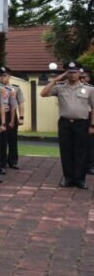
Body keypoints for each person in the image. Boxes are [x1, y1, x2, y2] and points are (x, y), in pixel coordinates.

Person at [40, 61, 94, 189]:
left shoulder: (89, 89)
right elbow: (43, 93)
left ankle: (80, 180)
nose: (72, 74)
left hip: (82, 123)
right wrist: (55, 80)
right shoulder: (60, 87)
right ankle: (68, 178)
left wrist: (92, 125)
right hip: (65, 123)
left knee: (81, 152)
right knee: (66, 152)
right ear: (66, 73)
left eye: (74, 72)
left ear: (79, 72)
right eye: (69, 72)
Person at [0, 66, 24, 171]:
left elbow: (21, 103)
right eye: (0, 76)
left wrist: (21, 117)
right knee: (1, 140)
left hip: (11, 115)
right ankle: (1, 163)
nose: (2, 78)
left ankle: (12, 161)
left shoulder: (15, 88)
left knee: (12, 139)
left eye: (4, 75)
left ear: (9, 76)